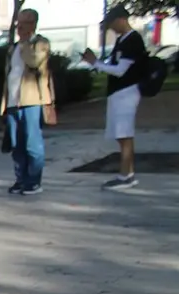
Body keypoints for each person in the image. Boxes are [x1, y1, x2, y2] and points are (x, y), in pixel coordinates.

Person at [83, 4, 148, 191]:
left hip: (127, 92)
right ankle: (128, 173)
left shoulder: (133, 40)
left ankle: (125, 175)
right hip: (118, 92)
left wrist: (96, 63)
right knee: (121, 135)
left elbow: (120, 71)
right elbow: (113, 66)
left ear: (121, 20)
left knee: (124, 134)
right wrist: (95, 63)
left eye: (112, 23)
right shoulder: (122, 40)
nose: (110, 28)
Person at [0, 9, 52, 195]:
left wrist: (25, 45)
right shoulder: (13, 48)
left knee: (32, 143)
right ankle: (20, 179)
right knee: (16, 144)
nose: (20, 27)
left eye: (24, 23)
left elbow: (34, 62)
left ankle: (34, 181)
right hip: (13, 101)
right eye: (18, 23)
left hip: (31, 101)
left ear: (33, 24)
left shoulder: (40, 44)